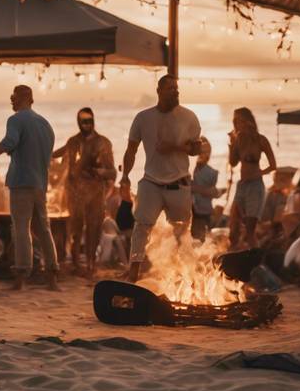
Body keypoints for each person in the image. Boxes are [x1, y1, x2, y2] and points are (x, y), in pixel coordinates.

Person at [0, 85, 59, 291]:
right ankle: (52, 276)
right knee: (44, 229)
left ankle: (21, 275)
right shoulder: (45, 124)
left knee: (21, 229)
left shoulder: (16, 120)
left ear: (25, 97)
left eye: (14, 96)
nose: (11, 99)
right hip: (40, 183)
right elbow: (13, 149)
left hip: (22, 182)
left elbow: (8, 144)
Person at [120, 74, 201, 283]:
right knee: (141, 227)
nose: (175, 92)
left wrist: (173, 146)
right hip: (151, 182)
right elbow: (131, 150)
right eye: (170, 89)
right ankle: (133, 273)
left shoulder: (189, 117)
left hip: (179, 183)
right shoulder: (143, 118)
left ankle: (185, 277)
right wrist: (125, 177)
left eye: (176, 89)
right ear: (159, 91)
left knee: (181, 232)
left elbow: (196, 149)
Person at [54, 107, 116, 276]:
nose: (87, 124)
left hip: (96, 192)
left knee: (94, 229)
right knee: (75, 229)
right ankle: (75, 263)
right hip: (75, 193)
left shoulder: (103, 143)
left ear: (93, 120)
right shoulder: (73, 142)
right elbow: (58, 156)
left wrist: (100, 172)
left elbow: (111, 171)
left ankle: (91, 264)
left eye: (89, 120)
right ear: (78, 123)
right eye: (83, 121)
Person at [228, 107, 276, 250]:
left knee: (249, 231)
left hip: (255, 187)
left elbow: (273, 165)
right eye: (235, 120)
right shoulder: (238, 140)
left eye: (240, 120)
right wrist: (231, 144)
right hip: (241, 186)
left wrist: (260, 173)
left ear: (248, 121)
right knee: (234, 227)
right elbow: (233, 163)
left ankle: (256, 258)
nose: (237, 123)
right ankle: (233, 254)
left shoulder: (261, 140)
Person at [190, 137, 220, 242]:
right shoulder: (192, 169)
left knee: (203, 238)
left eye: (207, 152)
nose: (204, 154)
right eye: (202, 152)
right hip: (194, 209)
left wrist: (195, 188)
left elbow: (214, 192)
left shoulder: (212, 173)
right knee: (195, 236)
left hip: (204, 211)